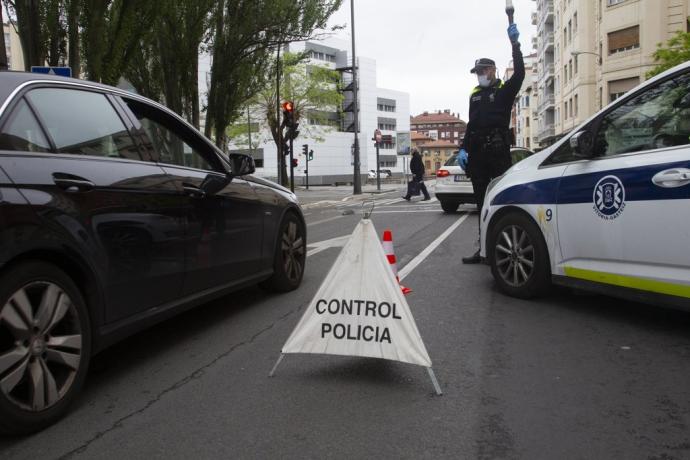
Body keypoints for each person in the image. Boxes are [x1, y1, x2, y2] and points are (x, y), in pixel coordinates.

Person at [460, 22, 524, 264]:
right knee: (481, 204)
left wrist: (515, 45)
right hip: (477, 156)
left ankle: (503, 248)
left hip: (497, 154)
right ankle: (483, 248)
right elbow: (471, 123)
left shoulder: (505, 91)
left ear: (493, 70)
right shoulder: (475, 94)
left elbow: (519, 74)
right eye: (477, 72)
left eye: (482, 70)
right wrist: (463, 148)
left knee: (500, 202)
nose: (479, 75)